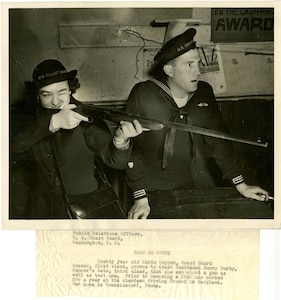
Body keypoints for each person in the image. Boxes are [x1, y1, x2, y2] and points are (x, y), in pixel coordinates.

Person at [125, 28, 269, 219]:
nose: (198, 71)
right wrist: (140, 197)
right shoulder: (143, 94)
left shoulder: (204, 93)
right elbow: (133, 150)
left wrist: (241, 184)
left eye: (198, 63)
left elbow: (220, 142)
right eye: (189, 65)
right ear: (169, 70)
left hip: (185, 184)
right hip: (147, 190)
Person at [11, 59, 143, 219]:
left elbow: (115, 162)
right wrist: (53, 123)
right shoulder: (29, 120)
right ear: (38, 97)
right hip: (42, 208)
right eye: (46, 95)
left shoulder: (86, 118)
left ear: (70, 90)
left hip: (84, 207)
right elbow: (13, 146)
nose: (55, 101)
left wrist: (121, 142)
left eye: (61, 92)